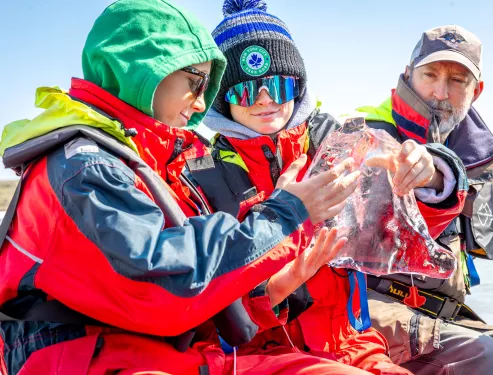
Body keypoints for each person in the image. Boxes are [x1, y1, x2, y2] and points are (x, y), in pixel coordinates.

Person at [0, 1, 361, 374]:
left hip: (164, 351)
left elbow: (189, 298)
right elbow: (163, 288)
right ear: (143, 69)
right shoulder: (87, 166)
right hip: (85, 356)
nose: (203, 101)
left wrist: (269, 293)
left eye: (209, 86)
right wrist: (286, 214)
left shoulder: (148, 161)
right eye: (195, 82)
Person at [201, 2, 468, 374]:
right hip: (252, 353)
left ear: (298, 86)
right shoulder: (199, 173)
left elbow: (406, 225)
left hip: (348, 342)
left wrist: (429, 176)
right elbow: (203, 305)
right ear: (220, 98)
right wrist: (280, 281)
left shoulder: (340, 141)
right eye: (245, 92)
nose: (265, 100)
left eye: (279, 85)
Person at [357, 25, 493, 375]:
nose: (440, 91)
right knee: (487, 358)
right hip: (368, 307)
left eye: (458, 80)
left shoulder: (474, 154)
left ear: (476, 91)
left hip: (441, 314)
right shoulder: (367, 136)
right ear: (408, 75)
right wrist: (432, 176)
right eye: (430, 74)